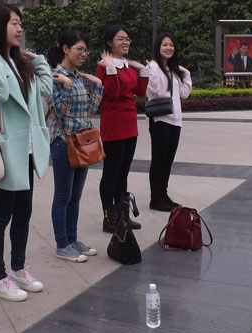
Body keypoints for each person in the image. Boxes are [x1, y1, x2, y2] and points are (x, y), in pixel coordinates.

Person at [0, 4, 52, 301]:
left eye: (20, 23)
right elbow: (1, 94)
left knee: (23, 213)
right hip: (7, 149)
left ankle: (18, 268)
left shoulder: (20, 62)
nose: (19, 29)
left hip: (27, 149)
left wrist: (38, 60)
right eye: (13, 23)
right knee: (0, 216)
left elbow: (46, 89)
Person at [46, 30, 103, 263]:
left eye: (85, 50)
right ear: (65, 49)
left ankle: (72, 239)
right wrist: (68, 86)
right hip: (63, 141)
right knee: (63, 196)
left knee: (75, 197)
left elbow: (89, 111)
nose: (83, 54)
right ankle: (62, 244)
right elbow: (60, 111)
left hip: (82, 142)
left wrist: (98, 86)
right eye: (79, 49)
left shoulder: (79, 77)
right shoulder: (54, 76)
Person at [97, 25, 148, 233]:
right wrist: (110, 68)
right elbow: (113, 92)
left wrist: (142, 70)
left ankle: (122, 215)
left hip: (129, 125)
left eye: (127, 39)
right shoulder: (104, 66)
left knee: (123, 173)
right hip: (114, 124)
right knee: (111, 172)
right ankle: (109, 216)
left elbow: (140, 92)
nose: (125, 42)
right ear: (110, 42)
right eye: (120, 39)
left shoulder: (127, 66)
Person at [146, 32, 192, 211]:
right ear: (158, 47)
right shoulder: (153, 67)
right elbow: (155, 91)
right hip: (160, 118)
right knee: (158, 160)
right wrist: (154, 69)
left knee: (168, 160)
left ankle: (163, 195)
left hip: (175, 120)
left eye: (171, 45)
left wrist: (186, 73)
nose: (169, 48)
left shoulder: (173, 70)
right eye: (165, 44)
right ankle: (155, 198)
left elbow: (184, 93)